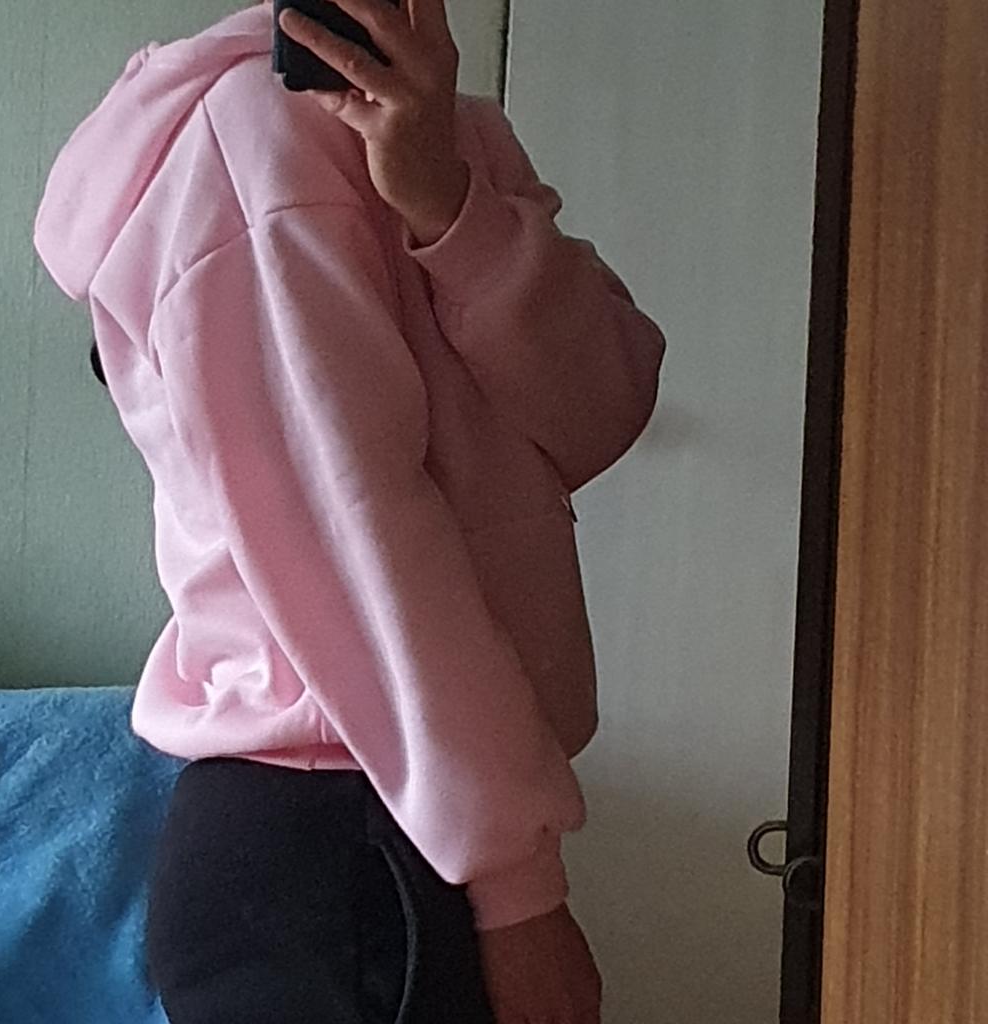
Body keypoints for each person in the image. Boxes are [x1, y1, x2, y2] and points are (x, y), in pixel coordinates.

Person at [33, 1, 666, 1021]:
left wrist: (449, 209)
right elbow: (348, 535)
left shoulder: (444, 133)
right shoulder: (249, 142)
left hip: (401, 821)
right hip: (338, 833)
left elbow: (602, 406)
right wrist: (516, 891)